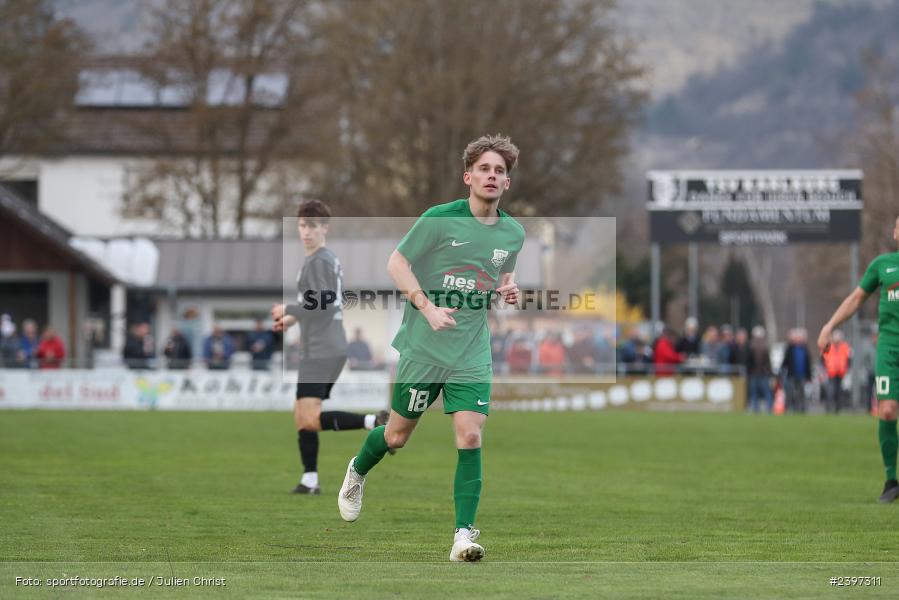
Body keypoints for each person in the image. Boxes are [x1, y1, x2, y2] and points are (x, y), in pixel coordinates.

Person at [336, 134, 524, 562]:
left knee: (471, 434)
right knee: (397, 436)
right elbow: (396, 263)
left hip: (471, 351)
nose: (492, 176)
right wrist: (426, 306)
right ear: (468, 177)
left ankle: (463, 535)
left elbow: (502, 276)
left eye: (499, 171)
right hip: (424, 348)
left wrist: (509, 290)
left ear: (507, 183)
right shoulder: (439, 219)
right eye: (484, 169)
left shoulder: (513, 233)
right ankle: (358, 469)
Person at [272, 200, 389, 496]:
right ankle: (310, 479)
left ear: (325, 228)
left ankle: (374, 422)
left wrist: (288, 308)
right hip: (322, 346)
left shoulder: (320, 260)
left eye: (312, 225)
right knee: (302, 415)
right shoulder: (321, 260)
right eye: (302, 225)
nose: (306, 231)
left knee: (309, 417)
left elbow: (324, 303)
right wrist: (290, 318)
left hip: (323, 348)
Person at [817, 216, 899, 502]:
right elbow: (855, 299)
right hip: (889, 347)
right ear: (896, 231)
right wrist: (829, 326)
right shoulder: (882, 265)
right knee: (887, 411)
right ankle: (891, 481)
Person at [779, 328, 812, 413]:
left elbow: (808, 364)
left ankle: (801, 408)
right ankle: (789, 408)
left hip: (802, 375)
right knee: (790, 393)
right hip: (791, 375)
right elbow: (785, 362)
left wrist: (809, 376)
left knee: (801, 393)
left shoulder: (805, 349)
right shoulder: (789, 349)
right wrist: (781, 372)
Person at [822, 329, 851, 413]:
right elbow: (822, 358)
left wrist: (847, 369)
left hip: (841, 373)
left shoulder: (845, 347)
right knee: (830, 391)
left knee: (839, 392)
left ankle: (837, 409)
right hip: (831, 373)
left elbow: (849, 359)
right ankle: (828, 408)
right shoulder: (828, 346)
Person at [747, 325, 773, 413]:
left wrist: (768, 371)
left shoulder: (762, 347)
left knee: (765, 391)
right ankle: (756, 408)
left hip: (762, 373)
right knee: (755, 391)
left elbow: (768, 361)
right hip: (755, 372)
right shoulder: (751, 346)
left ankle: (768, 407)